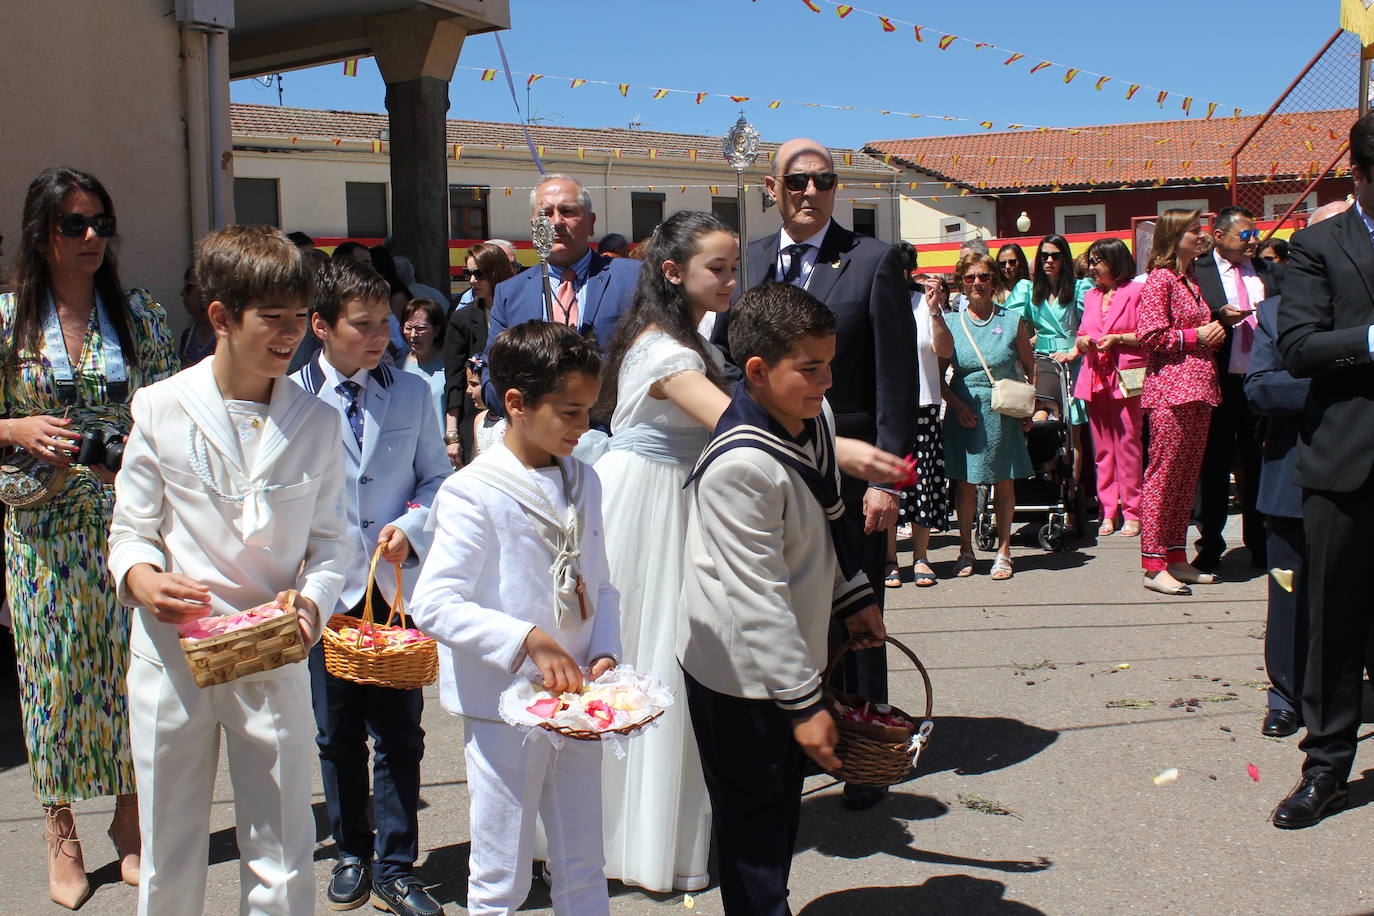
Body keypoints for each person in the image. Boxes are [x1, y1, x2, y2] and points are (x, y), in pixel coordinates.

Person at [107, 224, 351, 914]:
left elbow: (335, 543)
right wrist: (145, 579)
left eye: (299, 318)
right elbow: (130, 530)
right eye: (271, 319)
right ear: (221, 317)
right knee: (170, 845)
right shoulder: (160, 407)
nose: (290, 335)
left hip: (272, 656)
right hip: (171, 656)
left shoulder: (318, 422)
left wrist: (312, 603)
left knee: (282, 846)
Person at [712, 137, 917, 811]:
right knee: (783, 606)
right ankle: (799, 735)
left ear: (837, 188)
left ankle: (865, 755)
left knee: (858, 612)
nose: (809, 192)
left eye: (822, 181)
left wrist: (887, 479)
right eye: (796, 182)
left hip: (850, 473)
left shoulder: (873, 261)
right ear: (772, 189)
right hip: (764, 473)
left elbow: (895, 378)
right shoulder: (751, 261)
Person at [0, 166, 177, 909]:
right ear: (42, 236)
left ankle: (130, 824)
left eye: (100, 221)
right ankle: (61, 832)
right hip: (39, 528)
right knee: (52, 681)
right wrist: (15, 426)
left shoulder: (138, 315)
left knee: (130, 676)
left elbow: (174, 407)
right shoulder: (8, 318)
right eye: (75, 224)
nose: (93, 236)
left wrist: (137, 453)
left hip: (123, 525)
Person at [679, 281, 886, 916]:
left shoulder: (809, 415)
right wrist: (803, 708)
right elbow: (758, 601)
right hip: (738, 673)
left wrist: (854, 597)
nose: (828, 379)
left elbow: (827, 522)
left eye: (830, 362)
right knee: (751, 819)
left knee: (780, 803)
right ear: (758, 371)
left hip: (793, 651)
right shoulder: (740, 466)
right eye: (811, 367)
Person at [410, 320, 620, 915]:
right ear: (517, 404)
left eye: (589, 412)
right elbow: (435, 602)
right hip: (503, 701)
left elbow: (602, 583)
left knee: (583, 858)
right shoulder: (472, 491)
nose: (583, 426)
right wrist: (527, 639)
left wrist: (605, 648)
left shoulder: (587, 479)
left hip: (578, 691)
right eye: (570, 412)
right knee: (502, 867)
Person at [291, 257, 448, 915]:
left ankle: (396, 863)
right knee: (335, 731)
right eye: (363, 325)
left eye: (384, 322)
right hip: (324, 587)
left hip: (390, 583)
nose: (381, 336)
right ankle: (351, 849)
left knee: (400, 732)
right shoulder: (293, 395)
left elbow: (437, 478)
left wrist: (414, 525)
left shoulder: (413, 392)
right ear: (322, 326)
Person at [594, 211, 735, 893]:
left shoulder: (675, 337)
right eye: (719, 267)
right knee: (657, 662)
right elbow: (732, 423)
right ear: (674, 272)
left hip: (666, 497)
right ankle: (635, 840)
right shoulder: (670, 353)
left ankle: (651, 832)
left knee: (664, 663)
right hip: (650, 505)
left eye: (734, 266)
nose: (730, 280)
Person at [1274, 112, 1374, 827]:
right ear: (1362, 177)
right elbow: (1299, 346)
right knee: (1334, 625)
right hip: (1347, 462)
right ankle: (1327, 768)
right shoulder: (1315, 247)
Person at [1246, 201, 1355, 744]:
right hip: (1290, 481)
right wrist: (1336, 387)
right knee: (1289, 595)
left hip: (1359, 476)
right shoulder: (1274, 314)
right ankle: (1285, 695)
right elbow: (1259, 387)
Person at [481, 174, 642, 414]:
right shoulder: (510, 293)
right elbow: (492, 374)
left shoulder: (634, 278)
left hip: (613, 432)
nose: (556, 222)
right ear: (534, 225)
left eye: (567, 211)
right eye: (546, 214)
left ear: (591, 222)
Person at [1135, 209, 1225, 596]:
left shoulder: (1189, 279)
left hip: (1199, 389)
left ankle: (1174, 556)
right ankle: (1153, 564)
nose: (1201, 235)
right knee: (1163, 477)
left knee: (1186, 478)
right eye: (1193, 231)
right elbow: (1149, 335)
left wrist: (1214, 330)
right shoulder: (1160, 280)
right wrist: (1196, 337)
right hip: (1172, 391)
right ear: (1174, 238)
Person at [1191, 206, 1281, 572]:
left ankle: (1260, 544)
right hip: (1219, 382)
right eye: (1245, 235)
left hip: (1261, 381)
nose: (1253, 240)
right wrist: (1217, 317)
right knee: (1213, 466)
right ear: (1219, 236)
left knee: (1259, 465)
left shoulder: (1268, 273)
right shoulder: (1198, 273)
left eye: (1255, 233)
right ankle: (1210, 545)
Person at [941, 252, 1035, 581]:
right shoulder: (951, 323)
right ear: (961, 284)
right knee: (965, 483)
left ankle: (1004, 551)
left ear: (993, 280)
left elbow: (1029, 366)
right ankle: (966, 549)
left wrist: (1027, 407)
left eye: (984, 276)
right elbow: (937, 376)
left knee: (1004, 482)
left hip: (1003, 409)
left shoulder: (1012, 320)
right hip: (965, 410)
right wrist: (954, 403)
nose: (977, 283)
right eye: (970, 278)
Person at [1075, 237, 1146, 537]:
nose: (1091, 267)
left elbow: (1147, 334)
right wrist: (1083, 342)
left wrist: (1118, 339)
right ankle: (1109, 511)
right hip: (1095, 376)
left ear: (1114, 262)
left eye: (1097, 261)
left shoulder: (1136, 291)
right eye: (1090, 261)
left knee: (1129, 444)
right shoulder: (1091, 295)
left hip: (1127, 375)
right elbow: (1080, 335)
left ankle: (1133, 510)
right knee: (1102, 449)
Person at [893, 242, 952, 588]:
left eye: (907, 267)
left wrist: (933, 310)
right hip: (888, 406)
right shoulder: (879, 299)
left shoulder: (923, 303)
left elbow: (944, 350)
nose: (903, 274)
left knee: (924, 484)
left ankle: (921, 557)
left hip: (924, 404)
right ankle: (889, 560)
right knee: (891, 485)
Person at [444, 243, 516, 467]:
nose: (472, 280)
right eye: (468, 274)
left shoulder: (520, 314)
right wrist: (452, 434)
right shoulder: (461, 320)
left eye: (479, 274)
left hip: (516, 417)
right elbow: (454, 379)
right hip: (474, 420)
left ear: (497, 273)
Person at [402, 297, 448, 437]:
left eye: (420, 328)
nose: (413, 335)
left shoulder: (451, 366)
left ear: (437, 330)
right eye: (408, 328)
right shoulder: (398, 366)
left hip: (445, 448)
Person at [177, 264, 215, 367]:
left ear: (205, 290)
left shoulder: (227, 336)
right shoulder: (188, 335)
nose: (182, 293)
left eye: (188, 287)